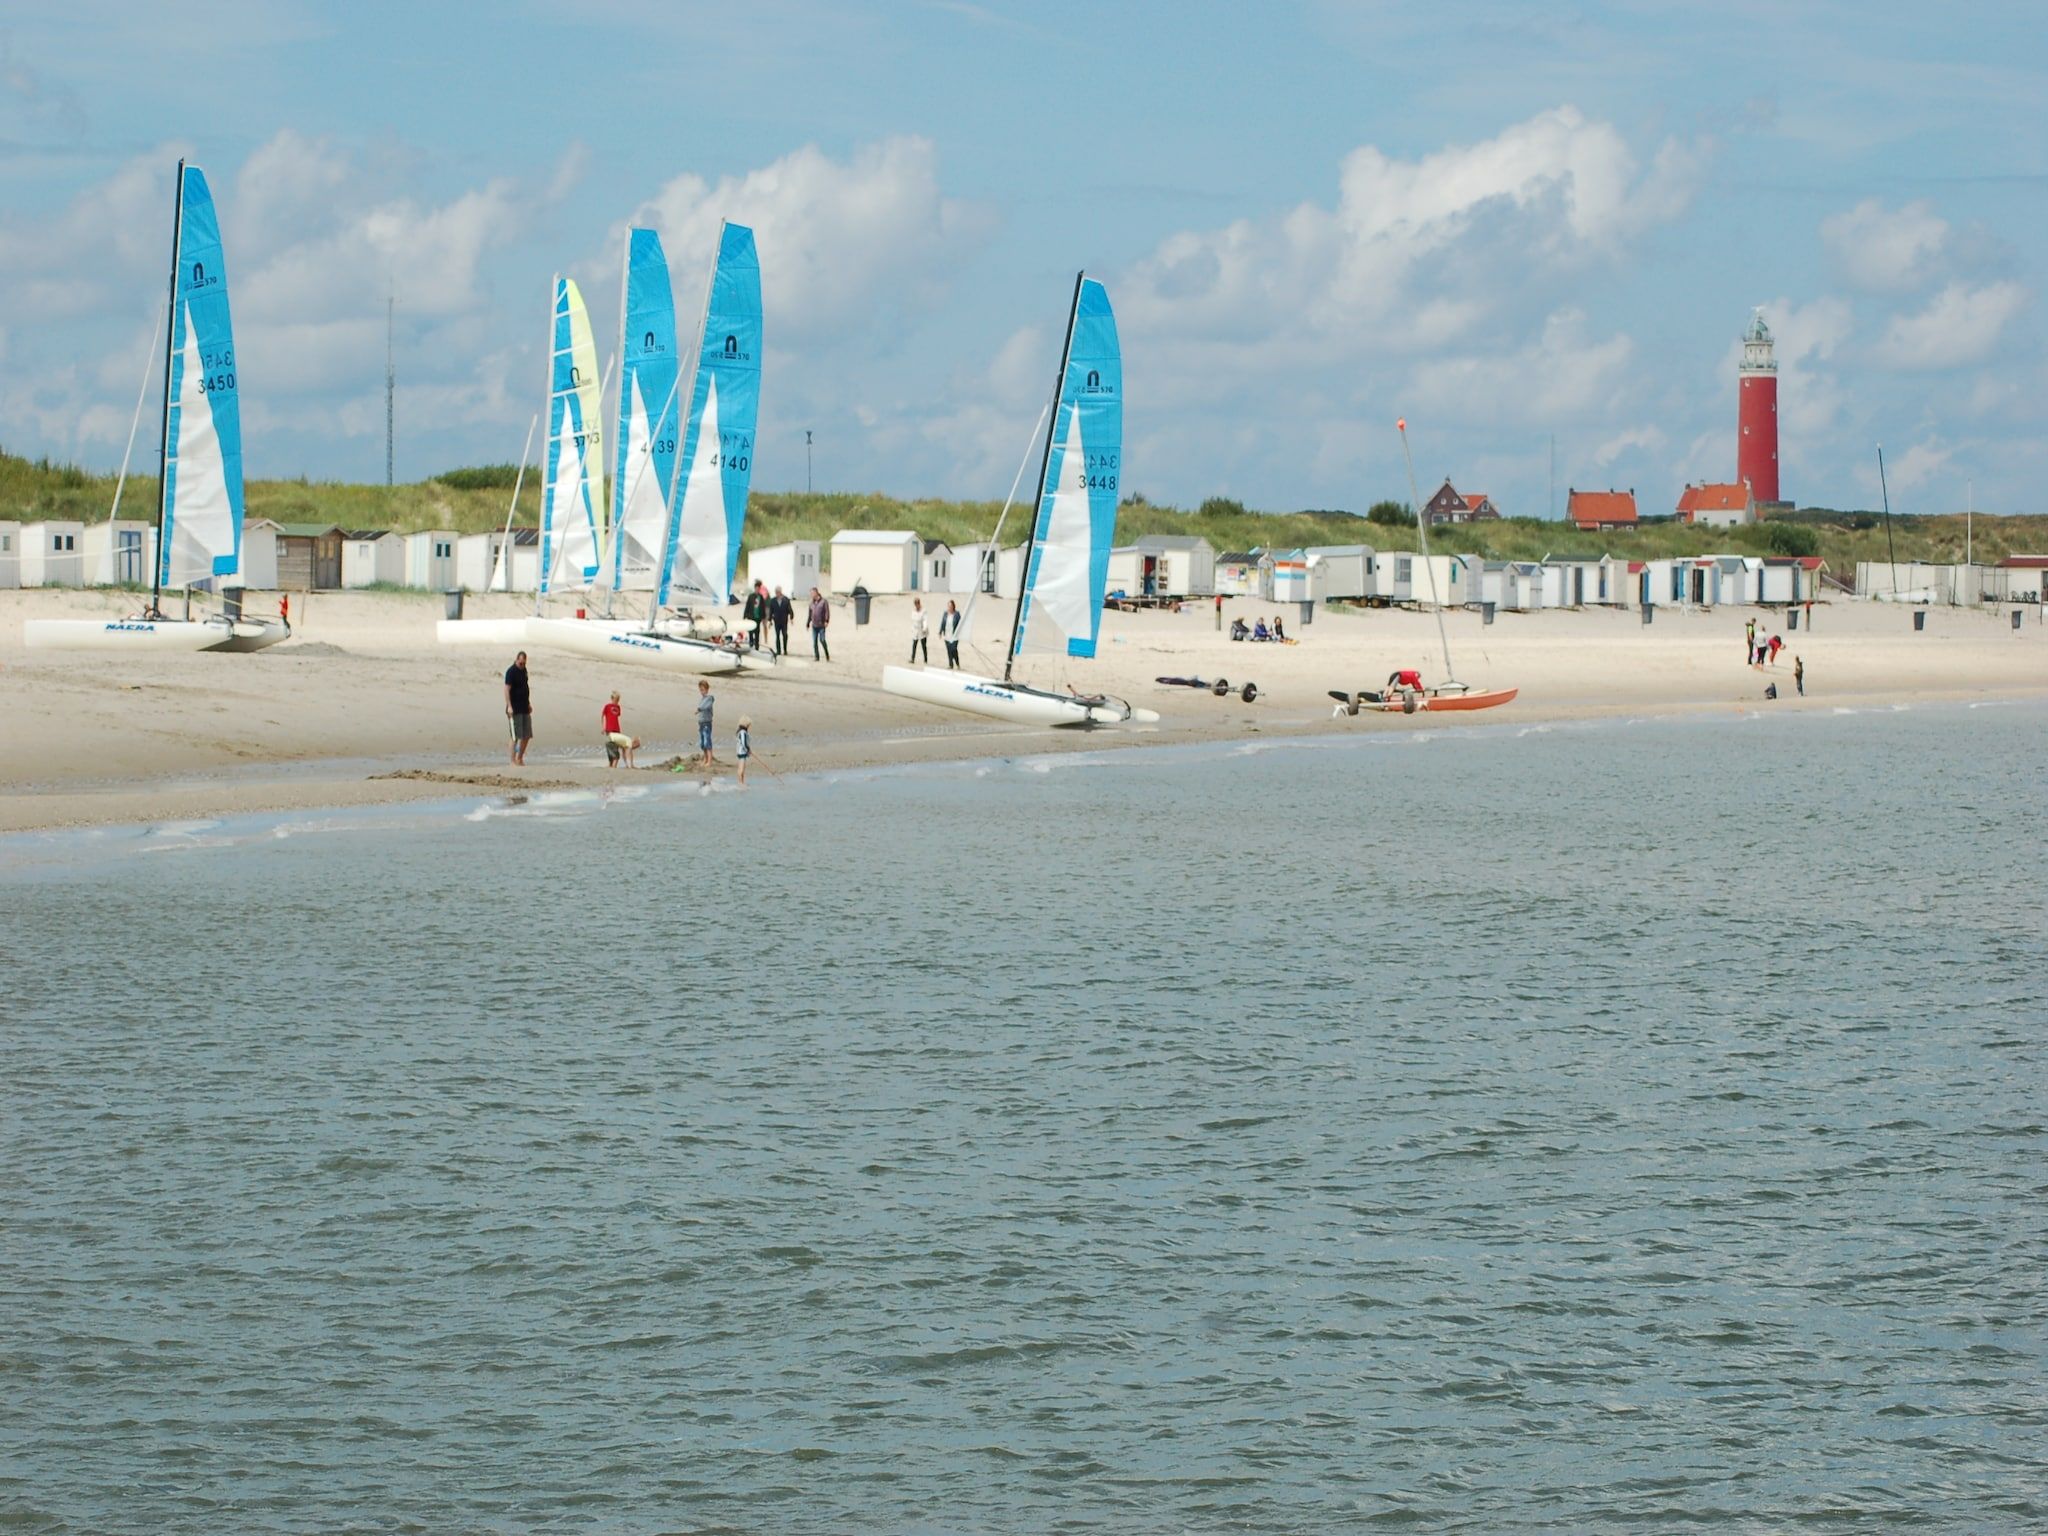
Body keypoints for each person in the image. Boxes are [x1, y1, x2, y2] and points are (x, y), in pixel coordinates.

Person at [504, 650, 533, 766]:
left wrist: (528, 703)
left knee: (527, 735)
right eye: (520, 663)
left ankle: (519, 758)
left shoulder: (524, 671)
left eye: (524, 663)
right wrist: (509, 706)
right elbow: (506, 689)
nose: (522, 665)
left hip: (524, 706)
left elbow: (525, 687)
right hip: (514, 708)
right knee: (515, 736)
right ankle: (512, 761)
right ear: (517, 660)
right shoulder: (511, 672)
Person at [600, 690, 639, 768]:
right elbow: (602, 716)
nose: (617, 701)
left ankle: (625, 764)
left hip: (617, 729)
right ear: (612, 698)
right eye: (616, 699)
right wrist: (603, 727)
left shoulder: (618, 707)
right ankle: (613, 763)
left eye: (618, 700)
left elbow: (616, 717)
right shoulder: (607, 706)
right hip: (609, 729)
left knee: (620, 747)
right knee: (613, 747)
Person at [938, 599, 963, 669]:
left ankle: (957, 664)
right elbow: (942, 623)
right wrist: (940, 632)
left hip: (954, 635)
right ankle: (950, 665)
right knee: (949, 650)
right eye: (948, 606)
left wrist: (960, 632)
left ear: (953, 606)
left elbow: (960, 624)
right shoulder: (945, 613)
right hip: (947, 635)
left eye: (951, 606)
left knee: (953, 649)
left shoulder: (957, 614)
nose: (949, 607)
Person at [808, 586, 831, 660]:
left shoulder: (824, 601)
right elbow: (810, 614)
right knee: (814, 642)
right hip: (814, 625)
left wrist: (827, 621)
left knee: (822, 640)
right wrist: (808, 623)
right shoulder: (811, 603)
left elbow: (827, 612)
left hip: (821, 625)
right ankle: (816, 656)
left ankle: (827, 654)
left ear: (816, 593)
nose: (811, 595)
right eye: (810, 594)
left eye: (812, 593)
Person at [696, 679, 715, 769]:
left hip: (707, 723)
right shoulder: (702, 699)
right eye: (700, 690)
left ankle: (710, 760)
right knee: (703, 742)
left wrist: (699, 709)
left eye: (703, 689)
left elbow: (705, 706)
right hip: (702, 723)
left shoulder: (709, 698)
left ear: (707, 689)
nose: (702, 692)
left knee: (707, 741)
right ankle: (705, 758)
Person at [769, 586, 794, 656]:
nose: (777, 594)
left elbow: (790, 610)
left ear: (780, 592)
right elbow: (771, 611)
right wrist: (770, 620)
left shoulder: (786, 600)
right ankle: (778, 650)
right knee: (777, 636)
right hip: (776, 621)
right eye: (776, 592)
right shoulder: (773, 601)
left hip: (784, 621)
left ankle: (785, 649)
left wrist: (791, 618)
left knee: (785, 635)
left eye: (778, 592)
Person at [742, 582, 767, 649]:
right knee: (750, 631)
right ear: (754, 588)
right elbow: (747, 606)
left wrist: (764, 617)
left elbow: (763, 607)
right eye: (756, 588)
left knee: (757, 632)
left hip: (758, 617)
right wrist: (745, 615)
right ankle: (751, 643)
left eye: (758, 589)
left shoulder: (760, 597)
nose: (757, 590)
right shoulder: (751, 596)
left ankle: (756, 646)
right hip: (751, 617)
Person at [908, 597, 929, 664]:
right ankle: (912, 658)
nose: (916, 605)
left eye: (917, 603)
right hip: (915, 631)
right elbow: (913, 620)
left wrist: (925, 628)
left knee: (923, 646)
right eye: (915, 604)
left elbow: (925, 620)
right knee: (914, 645)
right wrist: (912, 629)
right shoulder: (913, 611)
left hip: (922, 630)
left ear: (919, 603)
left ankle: (925, 659)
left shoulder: (923, 611)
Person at [735, 715, 752, 786]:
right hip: (742, 752)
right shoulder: (742, 732)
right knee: (741, 769)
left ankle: (741, 782)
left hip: (740, 751)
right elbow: (743, 742)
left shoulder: (741, 731)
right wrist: (748, 750)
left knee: (741, 768)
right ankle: (741, 783)